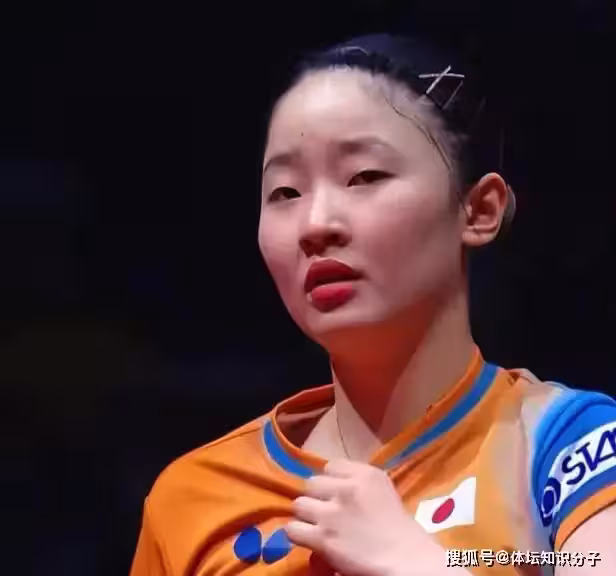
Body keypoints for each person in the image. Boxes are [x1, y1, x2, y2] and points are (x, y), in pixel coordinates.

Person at [129, 34, 616, 576]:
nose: (316, 224)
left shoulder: (574, 448)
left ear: (479, 210)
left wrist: (414, 564)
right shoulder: (191, 499)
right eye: (285, 192)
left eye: (365, 177)